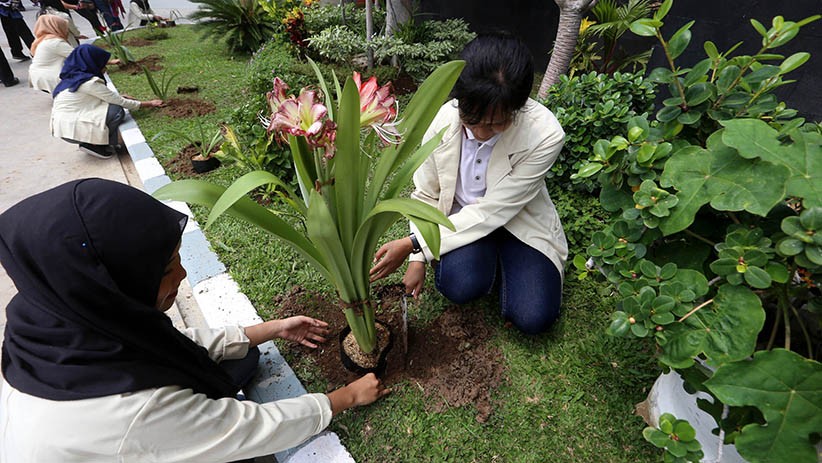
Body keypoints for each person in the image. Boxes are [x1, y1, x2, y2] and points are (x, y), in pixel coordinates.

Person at [0, 178, 390, 462]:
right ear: (115, 281)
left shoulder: (55, 314)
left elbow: (162, 346)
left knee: (243, 359)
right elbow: (249, 429)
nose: (183, 275)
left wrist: (271, 329)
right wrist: (346, 397)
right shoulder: (132, 412)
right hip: (125, 440)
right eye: (167, 266)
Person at [370, 32, 568, 335]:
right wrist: (418, 257)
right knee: (459, 285)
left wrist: (412, 243)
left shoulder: (545, 135)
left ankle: (507, 262)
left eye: (497, 123)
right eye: (472, 119)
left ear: (520, 106)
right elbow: (425, 194)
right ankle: (487, 263)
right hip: (457, 221)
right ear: (459, 99)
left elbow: (494, 211)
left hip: (518, 221)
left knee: (534, 318)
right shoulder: (443, 120)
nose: (481, 132)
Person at [51, 44, 161, 158]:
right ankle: (95, 144)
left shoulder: (73, 77)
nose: (105, 67)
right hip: (72, 129)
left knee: (108, 107)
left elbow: (93, 96)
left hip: (63, 128)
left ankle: (93, 141)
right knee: (116, 111)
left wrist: (119, 96)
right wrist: (150, 103)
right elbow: (120, 102)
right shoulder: (89, 82)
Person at [29, 15, 75, 93]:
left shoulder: (42, 39)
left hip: (37, 76)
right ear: (56, 27)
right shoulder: (55, 42)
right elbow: (79, 56)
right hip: (51, 77)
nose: (67, 30)